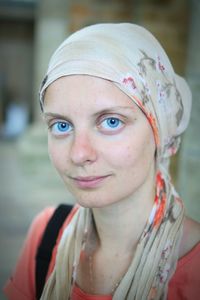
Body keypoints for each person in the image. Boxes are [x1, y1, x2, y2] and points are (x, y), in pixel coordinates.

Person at [4, 23, 200, 300]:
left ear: (160, 130)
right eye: (61, 125)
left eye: (111, 121)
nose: (79, 153)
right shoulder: (45, 235)